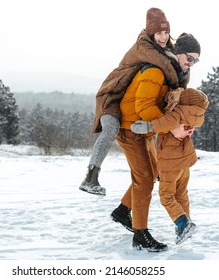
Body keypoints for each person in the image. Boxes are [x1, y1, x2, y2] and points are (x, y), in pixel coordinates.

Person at [79, 7, 188, 196]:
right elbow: (167, 66)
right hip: (111, 97)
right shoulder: (144, 46)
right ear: (150, 32)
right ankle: (90, 177)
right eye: (159, 33)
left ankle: (157, 170)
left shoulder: (165, 48)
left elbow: (178, 65)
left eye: (166, 32)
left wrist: (185, 69)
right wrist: (178, 81)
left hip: (126, 98)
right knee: (112, 129)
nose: (163, 37)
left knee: (151, 127)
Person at [109, 32, 201, 250]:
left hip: (144, 130)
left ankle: (123, 211)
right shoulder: (156, 71)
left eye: (196, 60)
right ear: (177, 52)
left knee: (152, 174)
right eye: (189, 57)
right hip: (130, 128)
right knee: (144, 181)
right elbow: (144, 107)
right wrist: (170, 125)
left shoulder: (173, 73)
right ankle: (140, 236)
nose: (192, 63)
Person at [131, 88, 209, 245]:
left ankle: (182, 224)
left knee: (166, 196)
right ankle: (187, 222)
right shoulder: (197, 117)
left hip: (171, 164)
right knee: (181, 194)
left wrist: (145, 127)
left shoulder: (177, 114)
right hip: (184, 164)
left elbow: (162, 124)